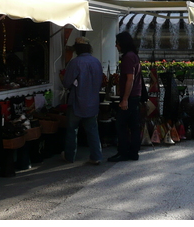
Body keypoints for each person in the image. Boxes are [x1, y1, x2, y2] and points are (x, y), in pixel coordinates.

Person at [61, 37, 104, 165]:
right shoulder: (96, 62)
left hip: (77, 102)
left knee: (72, 131)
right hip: (92, 102)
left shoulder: (75, 63)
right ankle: (96, 156)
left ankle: (69, 156)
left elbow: (67, 83)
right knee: (92, 131)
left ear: (77, 49)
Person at [109, 31, 143, 162]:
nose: (116, 46)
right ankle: (133, 153)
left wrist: (124, 99)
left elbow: (130, 78)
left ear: (122, 44)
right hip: (135, 95)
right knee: (134, 125)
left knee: (121, 125)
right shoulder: (134, 55)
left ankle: (123, 152)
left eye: (117, 43)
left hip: (130, 97)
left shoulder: (128, 57)